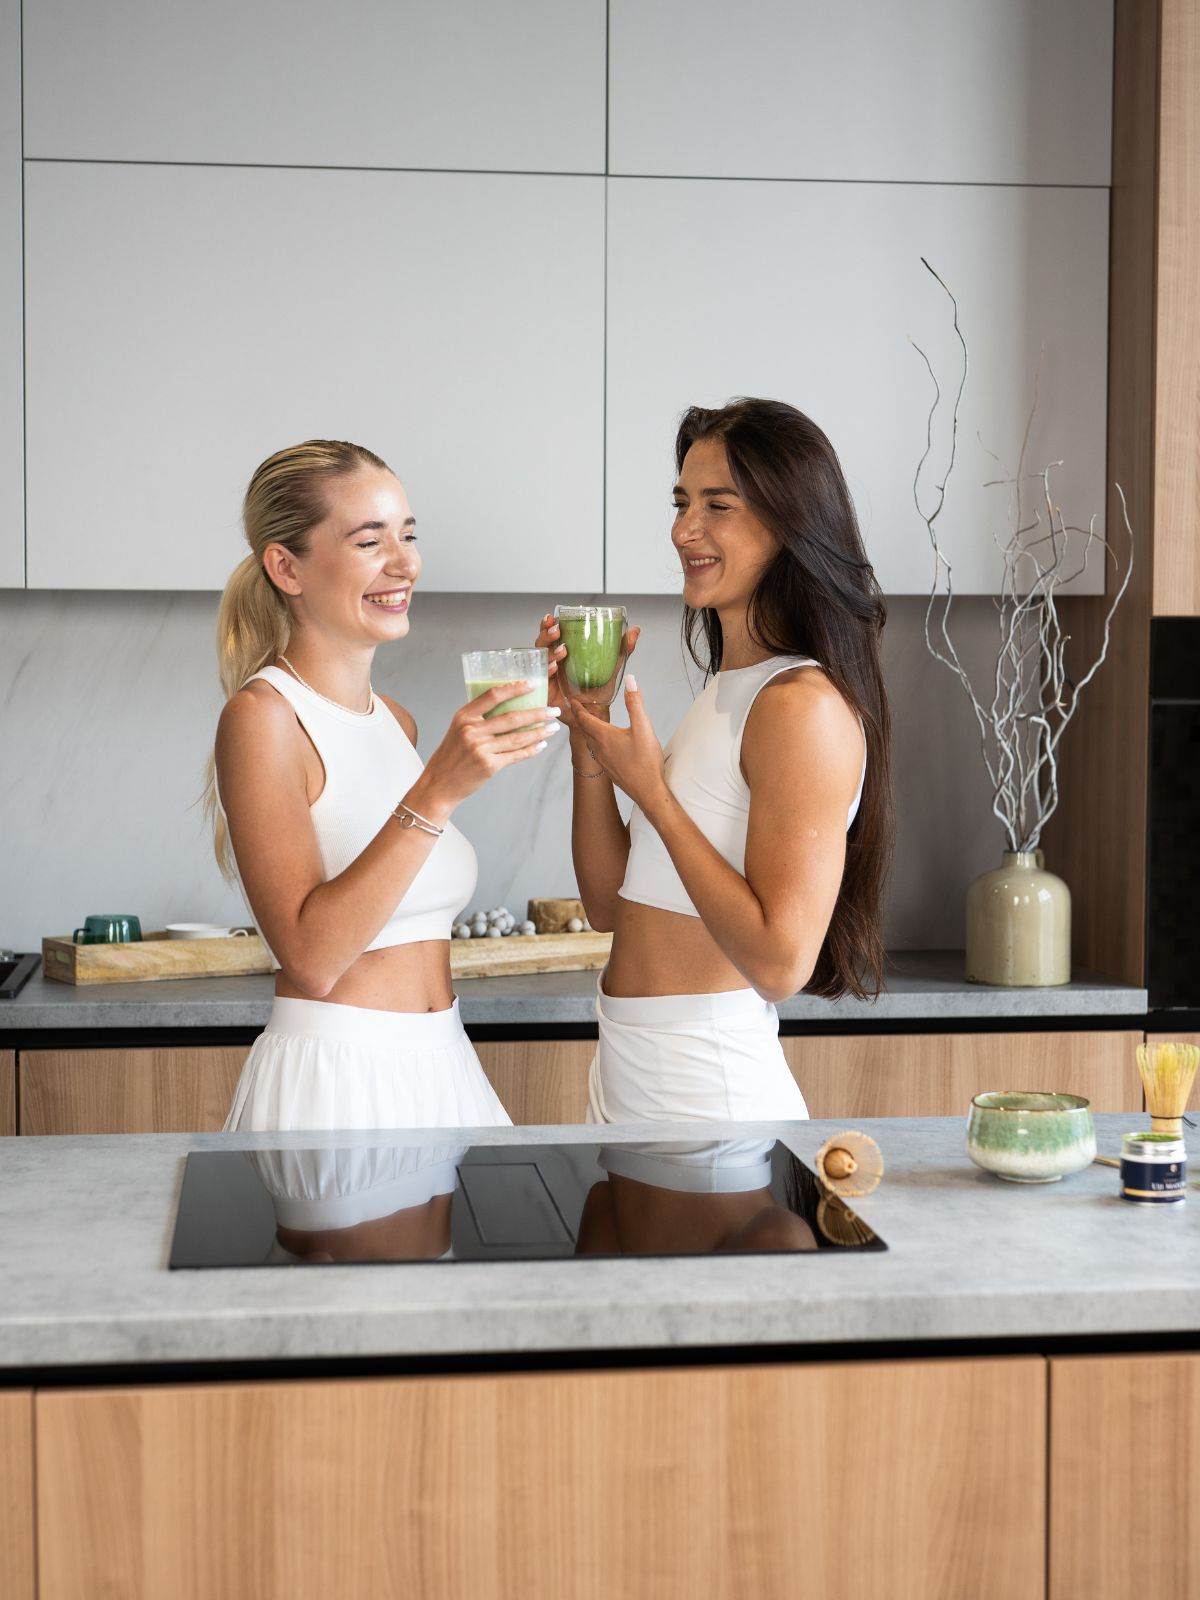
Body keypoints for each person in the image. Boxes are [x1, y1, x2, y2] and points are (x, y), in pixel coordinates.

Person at [538, 398, 893, 1124]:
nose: (683, 530)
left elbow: (779, 964)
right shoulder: (726, 695)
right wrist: (589, 737)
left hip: (707, 1085)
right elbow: (611, 905)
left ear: (790, 522)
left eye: (717, 506)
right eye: (681, 502)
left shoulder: (801, 705)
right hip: (632, 1070)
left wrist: (654, 795)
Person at [205, 439, 559, 1131]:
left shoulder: (396, 722)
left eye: (408, 535)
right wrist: (438, 791)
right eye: (370, 541)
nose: (406, 564)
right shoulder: (263, 718)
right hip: (339, 1080)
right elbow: (310, 958)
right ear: (286, 566)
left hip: (444, 1064)